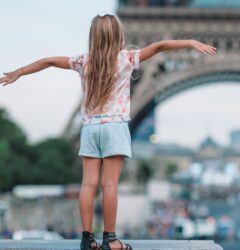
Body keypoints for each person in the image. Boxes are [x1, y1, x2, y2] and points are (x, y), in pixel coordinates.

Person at [0, 13, 216, 250]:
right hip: (114, 127)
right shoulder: (126, 58)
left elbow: (50, 61)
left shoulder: (84, 61)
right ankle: (110, 240)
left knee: (87, 185)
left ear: (94, 36)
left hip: (90, 128)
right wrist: (191, 43)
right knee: (109, 185)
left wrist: (19, 72)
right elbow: (160, 45)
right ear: (118, 35)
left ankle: (86, 238)